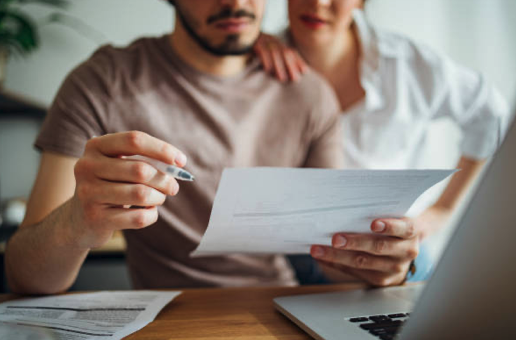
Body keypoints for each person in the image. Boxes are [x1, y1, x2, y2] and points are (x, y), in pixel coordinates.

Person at [5, 0, 422, 295]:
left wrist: (379, 266)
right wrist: (79, 222)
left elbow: (331, 255)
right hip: (170, 319)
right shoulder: (102, 83)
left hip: (282, 309)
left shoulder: (309, 94)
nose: (236, 2)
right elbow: (26, 278)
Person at [254, 0, 509, 283]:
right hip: (293, 256)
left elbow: (491, 114)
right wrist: (246, 43)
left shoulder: (408, 65)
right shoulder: (250, 60)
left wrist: (442, 211)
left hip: (392, 249)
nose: (318, 3)